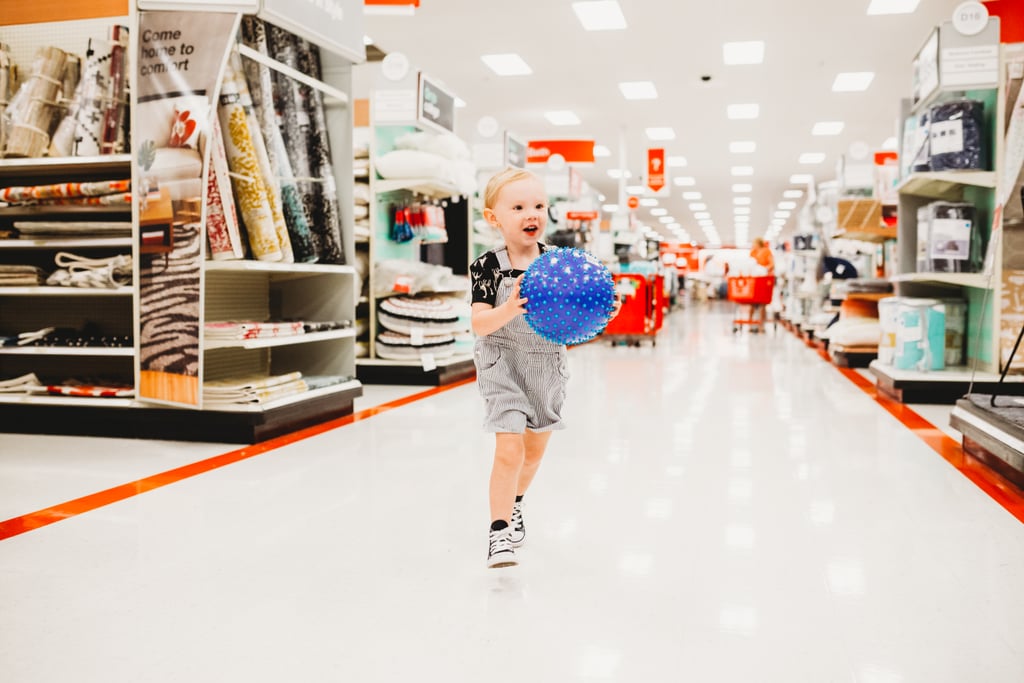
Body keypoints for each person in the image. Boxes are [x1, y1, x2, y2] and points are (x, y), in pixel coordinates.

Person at [470, 167, 618, 569]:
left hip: (546, 364)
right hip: (501, 361)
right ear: (493, 217)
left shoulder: (560, 263)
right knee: (509, 448)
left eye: (537, 205)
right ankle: (498, 532)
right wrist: (508, 308)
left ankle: (515, 503)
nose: (530, 213)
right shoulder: (487, 266)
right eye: (517, 206)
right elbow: (479, 323)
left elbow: (582, 316)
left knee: (533, 453)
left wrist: (601, 308)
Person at [749, 237, 775, 330]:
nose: (753, 245)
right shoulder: (752, 252)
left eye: (754, 243)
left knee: (762, 303)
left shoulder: (766, 251)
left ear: (759, 243)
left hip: (763, 279)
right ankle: (750, 323)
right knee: (751, 302)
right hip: (754, 280)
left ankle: (761, 325)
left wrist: (764, 269)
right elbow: (749, 264)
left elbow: (772, 264)